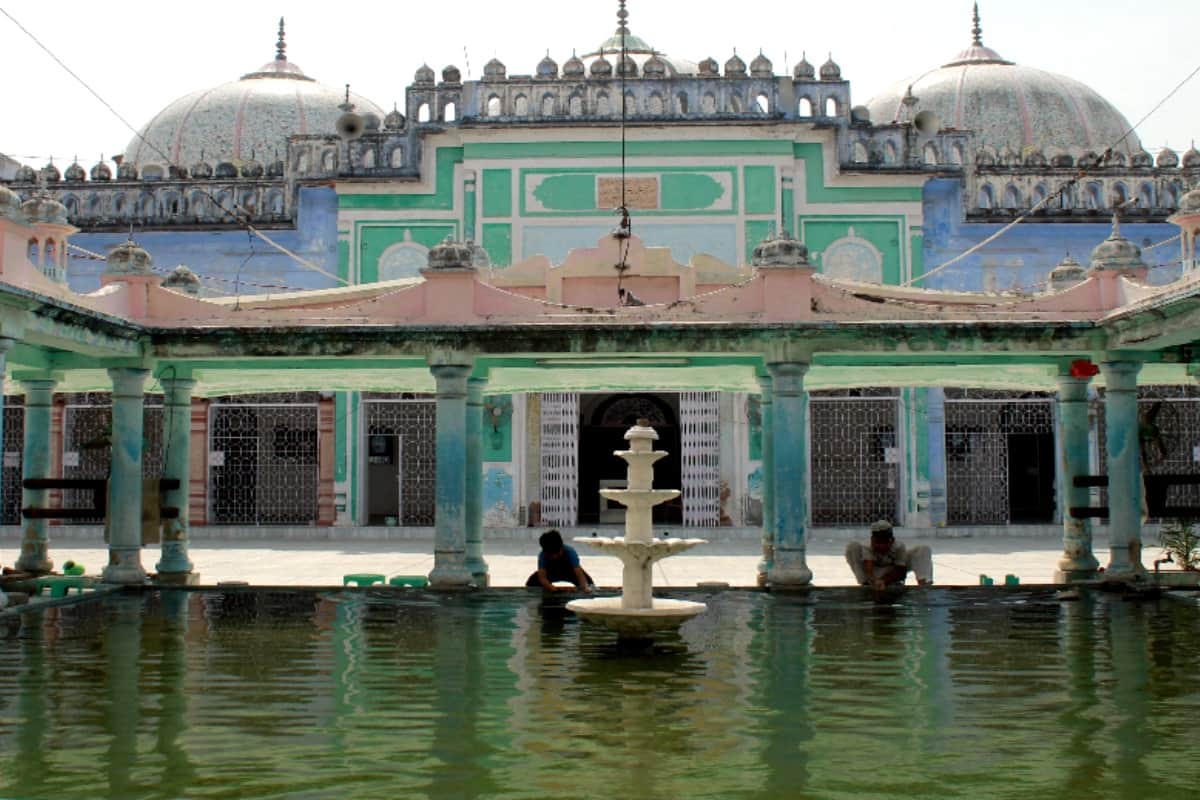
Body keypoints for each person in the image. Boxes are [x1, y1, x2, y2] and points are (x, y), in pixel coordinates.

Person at [845, 520, 933, 589]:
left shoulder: (899, 546)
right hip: (873, 574)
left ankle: (924, 586)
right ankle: (865, 585)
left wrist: (884, 580)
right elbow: (869, 569)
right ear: (872, 540)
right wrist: (874, 581)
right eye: (878, 543)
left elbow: (901, 571)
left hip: (892, 571)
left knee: (923, 549)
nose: (881, 547)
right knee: (852, 547)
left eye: (884, 543)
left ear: (892, 541)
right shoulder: (867, 546)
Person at [526, 529, 593, 592]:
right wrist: (557, 590)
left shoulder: (570, 552)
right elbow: (542, 578)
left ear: (561, 547)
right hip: (551, 571)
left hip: (569, 572)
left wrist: (585, 588)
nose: (554, 557)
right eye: (551, 554)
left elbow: (578, 572)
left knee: (589, 584)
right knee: (531, 583)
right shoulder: (543, 555)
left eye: (557, 553)